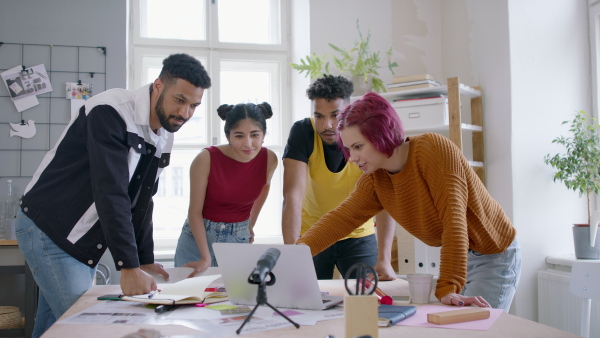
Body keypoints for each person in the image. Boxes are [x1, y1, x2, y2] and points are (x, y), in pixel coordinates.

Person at [16, 53, 211, 337]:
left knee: (54, 331)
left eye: (194, 105)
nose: (184, 113)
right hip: (50, 230)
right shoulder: (111, 110)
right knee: (89, 331)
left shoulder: (164, 135)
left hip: (76, 241)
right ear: (158, 85)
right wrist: (128, 265)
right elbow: (111, 191)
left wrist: (144, 258)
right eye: (179, 100)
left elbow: (143, 199)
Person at [296, 92, 521, 312]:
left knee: (474, 328)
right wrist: (293, 256)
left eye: (358, 147)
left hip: (493, 253)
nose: (352, 158)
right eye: (348, 149)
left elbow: (454, 222)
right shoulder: (376, 179)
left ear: (380, 135)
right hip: (464, 256)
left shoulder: (432, 150)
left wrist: (446, 288)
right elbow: (340, 219)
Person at [282, 75, 396, 280]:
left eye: (335, 115)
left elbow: (384, 198)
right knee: (305, 298)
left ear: (349, 110)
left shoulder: (366, 134)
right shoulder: (302, 132)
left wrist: (385, 259)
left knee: (368, 299)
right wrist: (292, 255)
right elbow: (293, 196)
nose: (327, 125)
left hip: (359, 235)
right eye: (319, 116)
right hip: (313, 233)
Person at [174, 102, 278, 277]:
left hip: (238, 239)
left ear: (264, 135)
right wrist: (205, 258)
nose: (248, 143)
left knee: (234, 300)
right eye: (239, 136)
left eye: (255, 135)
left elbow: (264, 187)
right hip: (197, 238)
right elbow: (194, 212)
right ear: (228, 136)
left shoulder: (270, 159)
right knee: (187, 298)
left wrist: (250, 224)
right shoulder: (205, 159)